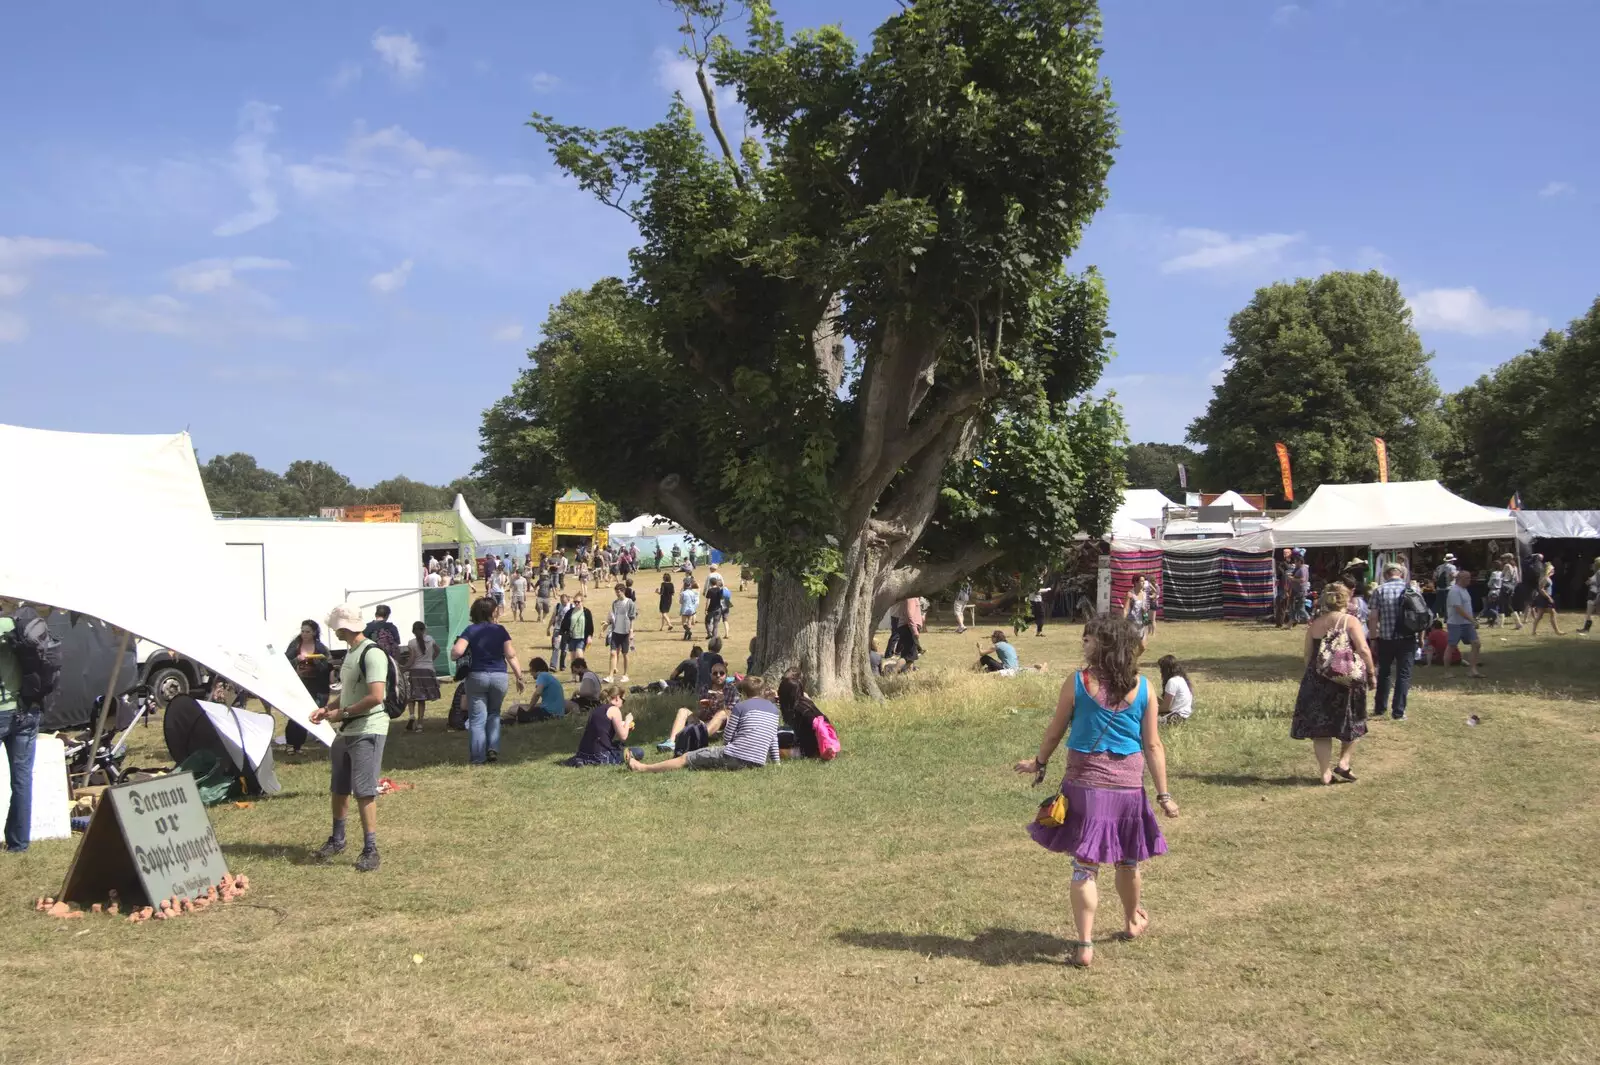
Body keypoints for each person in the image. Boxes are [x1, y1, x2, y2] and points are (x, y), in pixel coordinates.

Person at [1013, 614, 1178, 969]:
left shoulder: (1078, 682)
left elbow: (1056, 731)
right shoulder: (1145, 687)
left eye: (1088, 639)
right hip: (1128, 788)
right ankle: (1133, 919)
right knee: (1127, 859)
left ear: (1104, 644)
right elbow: (1153, 746)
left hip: (1084, 785)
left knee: (1085, 866)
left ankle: (1085, 944)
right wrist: (1164, 795)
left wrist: (1039, 762)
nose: (1083, 644)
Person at [311, 603, 391, 872]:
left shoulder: (372, 654)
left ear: (343, 627)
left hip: (368, 729)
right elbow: (348, 693)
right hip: (347, 730)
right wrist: (328, 709)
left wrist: (342, 712)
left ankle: (371, 849)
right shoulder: (351, 653)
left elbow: (376, 696)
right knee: (339, 787)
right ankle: (338, 839)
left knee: (364, 790)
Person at [1290, 582, 1374, 784]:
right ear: (1346, 599)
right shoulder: (1351, 621)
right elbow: (1363, 649)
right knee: (1354, 721)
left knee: (1321, 730)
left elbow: (1308, 655)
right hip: (1346, 681)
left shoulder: (1315, 624)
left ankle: (1325, 773)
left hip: (1317, 679)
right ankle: (1344, 762)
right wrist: (1371, 672)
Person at [627, 674, 781, 772]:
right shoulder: (774, 711)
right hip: (758, 762)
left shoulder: (741, 707)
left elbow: (728, 738)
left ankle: (643, 768)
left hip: (735, 756)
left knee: (686, 758)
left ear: (745, 694)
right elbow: (773, 741)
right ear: (761, 692)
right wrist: (776, 764)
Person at [450, 597, 526, 766]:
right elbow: (511, 655)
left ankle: (478, 757)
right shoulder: (500, 630)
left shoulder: (471, 630)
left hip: (477, 676)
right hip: (499, 676)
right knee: (494, 714)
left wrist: (457, 654)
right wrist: (519, 677)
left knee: (477, 718)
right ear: (492, 612)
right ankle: (492, 748)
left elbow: (456, 652)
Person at [0, 603, 48, 853]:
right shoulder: (21, 623)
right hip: (28, 709)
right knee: (22, 780)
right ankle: (19, 843)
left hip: (2, 710)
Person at [1369, 564, 1417, 721]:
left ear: (1385, 574)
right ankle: (1399, 711)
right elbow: (1420, 615)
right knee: (1404, 675)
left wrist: (1373, 638)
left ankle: (1380, 707)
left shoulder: (1379, 590)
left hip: (1386, 638)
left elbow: (1373, 617)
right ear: (1401, 574)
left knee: (1384, 673)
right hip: (1407, 637)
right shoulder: (1411, 589)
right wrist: (1421, 637)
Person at [660, 660, 735, 754]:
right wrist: (703, 707)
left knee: (722, 713)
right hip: (704, 723)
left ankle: (696, 739)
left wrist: (721, 702)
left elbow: (731, 714)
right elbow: (700, 714)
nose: (718, 675)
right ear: (711, 675)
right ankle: (671, 742)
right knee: (683, 710)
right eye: (715, 673)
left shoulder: (731, 690)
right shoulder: (705, 689)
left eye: (722, 673)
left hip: (719, 728)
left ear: (726, 675)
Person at [284, 619, 332, 754]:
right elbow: (285, 663)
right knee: (295, 714)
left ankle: (298, 745)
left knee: (308, 714)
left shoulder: (320, 647)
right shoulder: (295, 645)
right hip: (298, 683)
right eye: (303, 631)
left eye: (308, 632)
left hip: (315, 685)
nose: (304, 634)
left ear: (314, 633)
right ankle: (290, 744)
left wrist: (315, 660)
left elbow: (326, 666)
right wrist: (297, 660)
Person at [563, 684, 636, 766]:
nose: (623, 704)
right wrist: (627, 721)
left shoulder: (597, 709)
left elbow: (603, 731)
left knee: (618, 744)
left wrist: (624, 726)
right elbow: (623, 737)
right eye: (623, 700)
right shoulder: (614, 710)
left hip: (584, 754)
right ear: (617, 698)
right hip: (600, 756)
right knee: (638, 752)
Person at [777, 670, 832, 759]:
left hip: (810, 751)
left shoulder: (797, 711)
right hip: (818, 745)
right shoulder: (805, 703)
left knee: (772, 751)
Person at [1445, 570, 1484, 677]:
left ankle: (1472, 670)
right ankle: (1447, 672)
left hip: (1467, 624)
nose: (1469, 580)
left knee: (1476, 644)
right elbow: (1459, 609)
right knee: (1451, 646)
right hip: (1455, 624)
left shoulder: (1464, 590)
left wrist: (1470, 621)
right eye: (1467, 578)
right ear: (1460, 579)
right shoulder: (1454, 591)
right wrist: (1472, 620)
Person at [404, 621, 441, 732]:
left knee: (412, 695)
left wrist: (404, 668)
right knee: (422, 699)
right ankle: (420, 725)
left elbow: (411, 659)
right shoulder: (431, 639)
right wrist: (430, 660)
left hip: (415, 671)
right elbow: (438, 650)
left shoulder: (411, 643)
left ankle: (411, 716)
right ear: (424, 629)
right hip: (428, 671)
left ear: (413, 631)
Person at [606, 583, 638, 682]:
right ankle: (610, 676)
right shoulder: (615, 603)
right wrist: (608, 623)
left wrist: (631, 631)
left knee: (625, 654)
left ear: (623, 591)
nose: (617, 594)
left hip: (625, 632)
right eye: (616, 592)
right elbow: (614, 616)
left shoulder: (630, 602)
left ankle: (625, 674)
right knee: (612, 653)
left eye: (618, 592)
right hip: (616, 631)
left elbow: (632, 617)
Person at [559, 592, 595, 664]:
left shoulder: (586, 612)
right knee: (573, 659)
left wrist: (589, 636)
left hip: (581, 638)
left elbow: (590, 626)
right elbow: (564, 624)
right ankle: (574, 675)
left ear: (582, 602)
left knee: (579, 655)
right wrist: (560, 635)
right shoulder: (570, 612)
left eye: (578, 602)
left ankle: (582, 673)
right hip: (572, 638)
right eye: (575, 602)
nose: (576, 603)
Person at [1156, 655, 1193, 723]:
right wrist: (1154, 698)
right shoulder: (1181, 679)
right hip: (1182, 716)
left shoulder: (1172, 681)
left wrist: (1151, 710)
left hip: (1175, 717)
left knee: (1146, 719)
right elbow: (1171, 704)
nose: (1160, 671)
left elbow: (1166, 707)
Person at [1531, 562, 1564, 636]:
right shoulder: (1545, 578)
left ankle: (1533, 631)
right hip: (1544, 598)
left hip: (1543, 598)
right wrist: (1549, 598)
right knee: (1552, 613)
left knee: (1540, 615)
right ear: (1549, 569)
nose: (1554, 570)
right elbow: (1541, 589)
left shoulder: (1546, 577)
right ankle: (1557, 631)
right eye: (1552, 569)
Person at [1123, 574, 1155, 640]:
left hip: (1142, 624)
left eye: (1144, 581)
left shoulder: (1144, 594)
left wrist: (1145, 612)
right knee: (1132, 644)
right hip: (1132, 624)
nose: (1144, 583)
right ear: (1135, 582)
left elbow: (1145, 609)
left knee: (1143, 647)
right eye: (1142, 581)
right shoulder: (1130, 594)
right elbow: (1125, 610)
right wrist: (1122, 622)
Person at [1432, 554, 1458, 619]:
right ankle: (1447, 618)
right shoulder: (1452, 567)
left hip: (1440, 588)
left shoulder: (1439, 567)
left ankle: (1432, 615)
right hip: (1449, 587)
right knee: (1448, 604)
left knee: (1438, 604)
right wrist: (1457, 573)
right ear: (1452, 560)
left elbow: (1434, 578)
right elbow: (1453, 576)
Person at [679, 577, 700, 641]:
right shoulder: (692, 592)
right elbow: (694, 601)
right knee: (689, 623)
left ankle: (688, 632)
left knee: (683, 623)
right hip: (691, 609)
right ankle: (687, 637)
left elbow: (680, 602)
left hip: (685, 609)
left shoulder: (683, 593)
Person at [1583, 558, 1600, 635]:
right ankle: (1586, 629)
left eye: (1595, 563)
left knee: (1596, 612)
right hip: (1594, 594)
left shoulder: (1599, 573)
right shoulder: (1596, 573)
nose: (1593, 564)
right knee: (1590, 612)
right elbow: (1588, 583)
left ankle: (1586, 629)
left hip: (1596, 594)